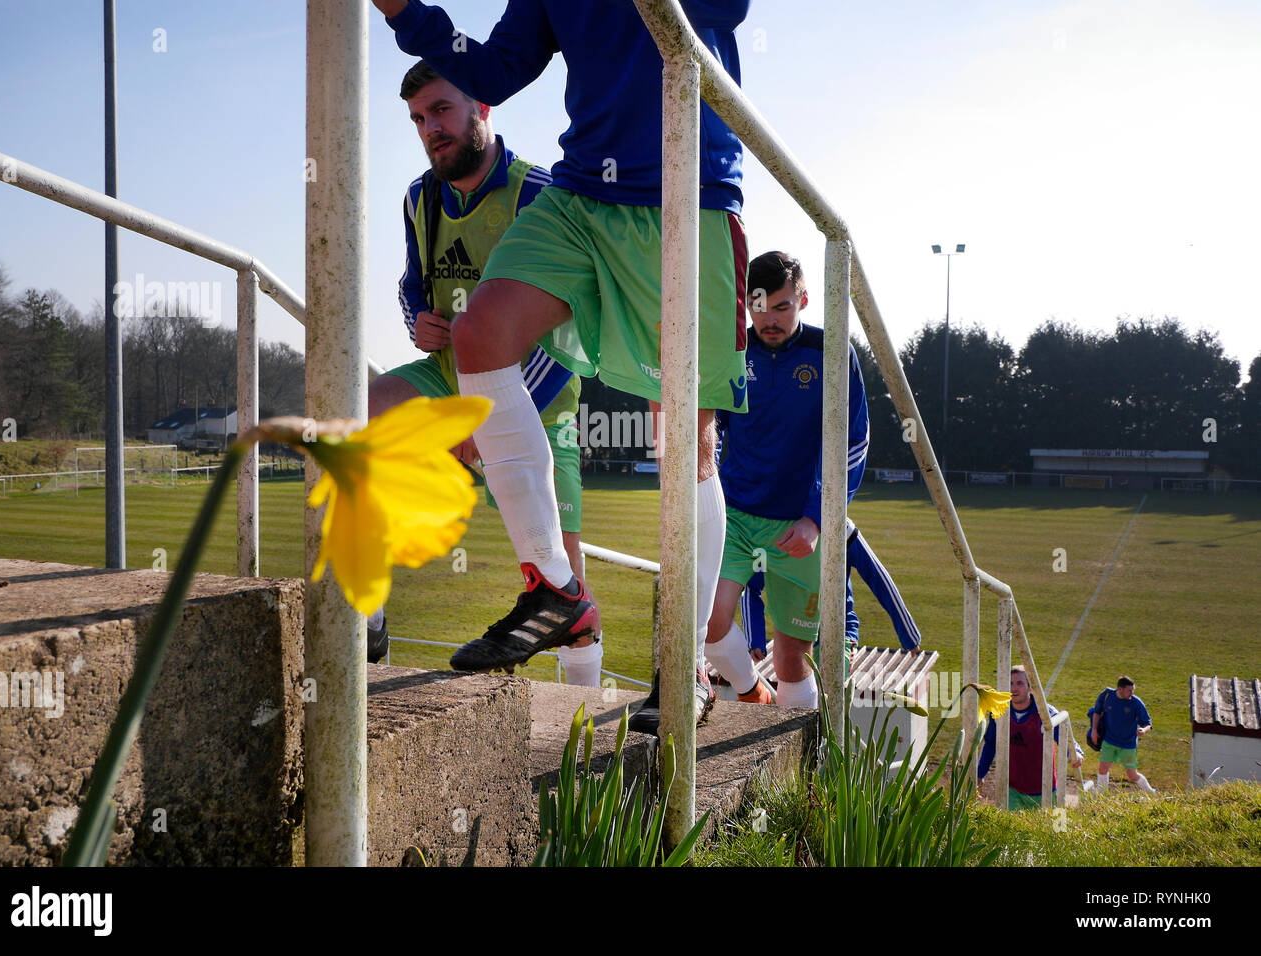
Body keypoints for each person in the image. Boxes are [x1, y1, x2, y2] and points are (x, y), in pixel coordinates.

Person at [375, 0, 751, 725]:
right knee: (480, 332)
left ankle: (685, 668)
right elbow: (494, 69)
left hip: (685, 191)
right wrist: (405, 11)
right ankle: (556, 588)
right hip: (582, 195)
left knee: (684, 440)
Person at [365, 59, 602, 687]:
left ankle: (578, 729)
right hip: (445, 378)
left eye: (441, 110)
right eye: (418, 119)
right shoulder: (419, 197)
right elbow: (411, 282)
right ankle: (369, 616)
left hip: (539, 399)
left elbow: (572, 323)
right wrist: (416, 316)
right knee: (356, 412)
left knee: (566, 580)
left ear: (483, 108)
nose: (430, 129)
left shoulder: (538, 194)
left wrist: (492, 417)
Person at [702, 251, 869, 710]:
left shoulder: (831, 354)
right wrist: (708, 480)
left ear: (804, 301)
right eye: (758, 306)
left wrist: (816, 518)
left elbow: (853, 443)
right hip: (733, 512)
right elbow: (711, 425)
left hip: (796, 525)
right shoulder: (733, 349)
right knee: (709, 621)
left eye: (781, 307)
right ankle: (753, 693)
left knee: (792, 656)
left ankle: (803, 765)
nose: (768, 319)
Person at [737, 515, 922, 666]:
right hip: (791, 635)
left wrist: (908, 634)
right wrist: (755, 637)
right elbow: (750, 587)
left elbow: (878, 577)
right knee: (796, 701)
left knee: (828, 699)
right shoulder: (766, 529)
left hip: (838, 634)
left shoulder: (840, 526)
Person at [977, 665, 1084, 810]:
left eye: (1019, 683)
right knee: (1009, 830)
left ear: (1030, 687)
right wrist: (979, 774)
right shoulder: (1000, 712)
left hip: (1044, 790)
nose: (1014, 688)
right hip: (1012, 790)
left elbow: (1064, 733)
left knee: (1052, 829)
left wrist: (1075, 752)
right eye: (1010, 683)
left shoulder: (1045, 713)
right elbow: (990, 744)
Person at [1089, 676, 1155, 793]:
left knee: (1132, 774)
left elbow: (1148, 723)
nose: (1132, 693)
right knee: (1103, 769)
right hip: (1109, 741)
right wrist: (1094, 730)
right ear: (1120, 689)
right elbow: (1097, 712)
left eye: (1133, 690)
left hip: (1128, 745)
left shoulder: (1136, 703)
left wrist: (1144, 730)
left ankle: (1152, 792)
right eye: (1130, 690)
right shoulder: (1107, 696)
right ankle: (1101, 796)